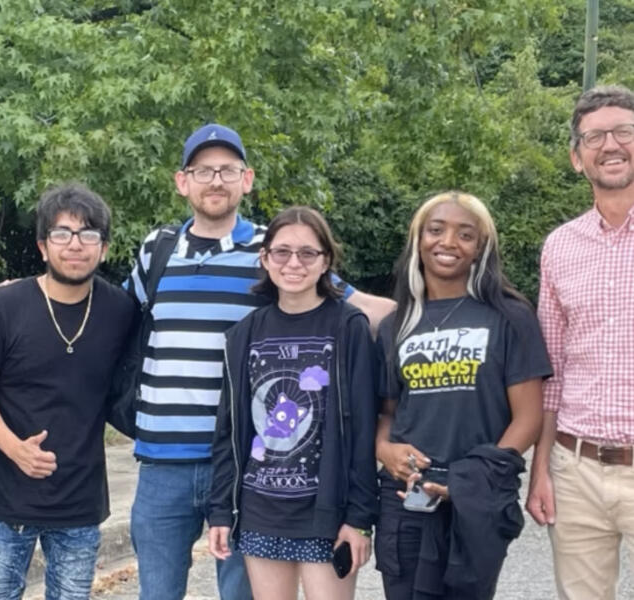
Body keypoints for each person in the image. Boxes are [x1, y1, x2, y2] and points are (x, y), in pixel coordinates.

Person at [125, 123, 395, 600]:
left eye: (227, 170)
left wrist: (453, 317)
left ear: (246, 179)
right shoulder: (157, 249)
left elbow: (358, 308)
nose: (215, 180)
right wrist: (21, 300)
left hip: (244, 463)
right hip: (162, 462)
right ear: (182, 181)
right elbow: (113, 321)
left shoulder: (273, 250)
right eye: (203, 170)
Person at [0, 183, 138, 600]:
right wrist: (15, 448)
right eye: (62, 234)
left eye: (88, 235)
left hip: (81, 502)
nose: (75, 245)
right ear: (43, 246)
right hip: (6, 503)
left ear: (104, 247)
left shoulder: (121, 310)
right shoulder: (5, 306)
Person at [375, 191, 551, 599]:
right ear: (418, 239)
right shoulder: (395, 325)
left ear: (481, 248)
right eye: (436, 230)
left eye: (465, 234)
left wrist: (469, 483)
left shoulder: (510, 316)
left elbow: (528, 418)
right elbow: (387, 410)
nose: (448, 242)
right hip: (406, 497)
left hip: (475, 499)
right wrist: (384, 450)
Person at [207, 206, 377, 600]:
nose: (293, 263)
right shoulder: (244, 334)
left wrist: (359, 519)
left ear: (326, 262)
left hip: (326, 514)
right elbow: (228, 430)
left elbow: (364, 429)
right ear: (265, 259)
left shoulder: (348, 327)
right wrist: (220, 510)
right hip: (260, 510)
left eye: (307, 253)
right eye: (282, 252)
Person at [525, 84, 634, 600]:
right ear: (576, 157)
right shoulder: (560, 247)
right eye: (594, 136)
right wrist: (541, 469)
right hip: (577, 468)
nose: (610, 145)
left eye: (625, 132)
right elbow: (554, 371)